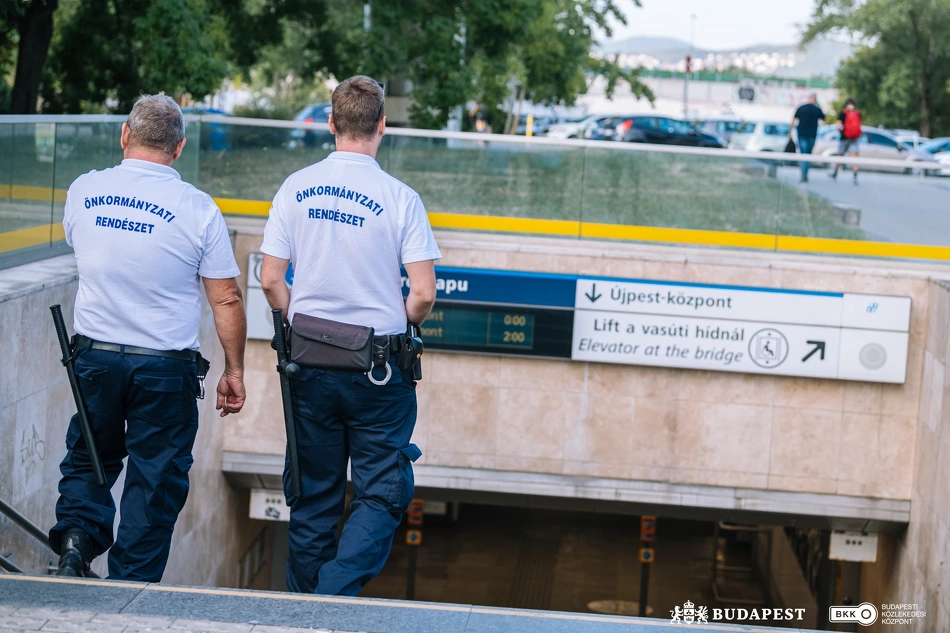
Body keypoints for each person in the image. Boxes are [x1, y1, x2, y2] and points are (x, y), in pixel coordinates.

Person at [50, 94, 247, 580]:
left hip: (93, 358)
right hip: (163, 369)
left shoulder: (83, 190)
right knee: (155, 478)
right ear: (178, 148)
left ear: (125, 135)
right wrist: (234, 369)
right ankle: (129, 587)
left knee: (89, 457)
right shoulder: (198, 208)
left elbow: (87, 247)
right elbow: (226, 299)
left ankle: (75, 546)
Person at [260, 75, 440, 596]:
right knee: (380, 493)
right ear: (382, 126)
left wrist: (306, 326)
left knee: (313, 496)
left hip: (307, 366)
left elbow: (272, 280)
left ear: (331, 122)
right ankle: (332, 594)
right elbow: (423, 295)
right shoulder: (401, 198)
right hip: (379, 371)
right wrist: (397, 322)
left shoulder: (295, 187)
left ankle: (303, 612)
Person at [789, 93, 825, 183]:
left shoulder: (801, 108)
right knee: (808, 155)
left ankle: (803, 175)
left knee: (804, 154)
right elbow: (824, 119)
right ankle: (804, 174)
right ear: (815, 99)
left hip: (801, 134)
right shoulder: (817, 109)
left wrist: (790, 132)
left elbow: (793, 121)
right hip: (812, 135)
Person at [831, 97, 862, 184]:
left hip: (844, 138)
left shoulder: (843, 113)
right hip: (855, 138)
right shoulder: (858, 114)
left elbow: (838, 125)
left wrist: (839, 131)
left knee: (840, 156)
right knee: (854, 157)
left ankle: (835, 173)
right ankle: (855, 176)